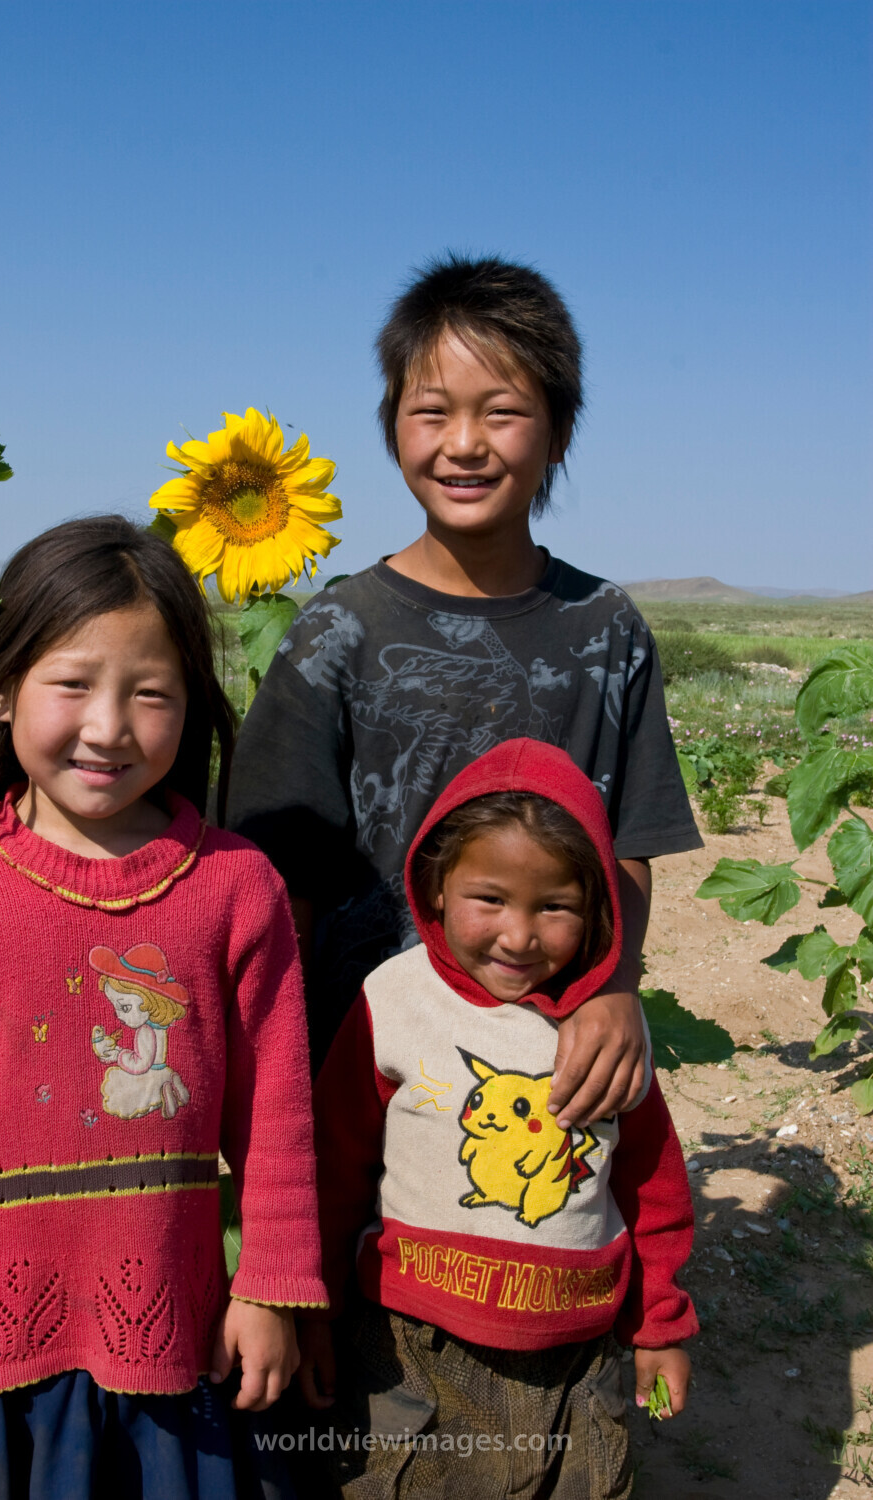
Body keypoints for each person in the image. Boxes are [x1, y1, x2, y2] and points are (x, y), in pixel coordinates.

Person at [0, 516, 328, 1498]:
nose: (109, 725)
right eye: (72, 683)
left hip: (182, 1346)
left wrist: (271, 1288)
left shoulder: (236, 888)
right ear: (0, 689)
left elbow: (279, 1117)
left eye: (150, 693)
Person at [228, 253, 702, 1123]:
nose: (463, 443)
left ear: (558, 433)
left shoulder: (606, 629)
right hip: (362, 1059)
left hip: (545, 1062)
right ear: (393, 429)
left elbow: (629, 844)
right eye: (432, 412)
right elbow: (276, 871)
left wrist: (614, 987)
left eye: (503, 412)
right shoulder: (339, 631)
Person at [299, 738, 696, 1498]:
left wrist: (660, 1326)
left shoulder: (605, 1023)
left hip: (574, 1347)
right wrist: (315, 1309)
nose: (519, 936)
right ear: (437, 884)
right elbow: (336, 1166)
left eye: (556, 907)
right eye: (490, 899)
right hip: (412, 1340)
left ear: (598, 908)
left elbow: (651, 1184)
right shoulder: (395, 999)